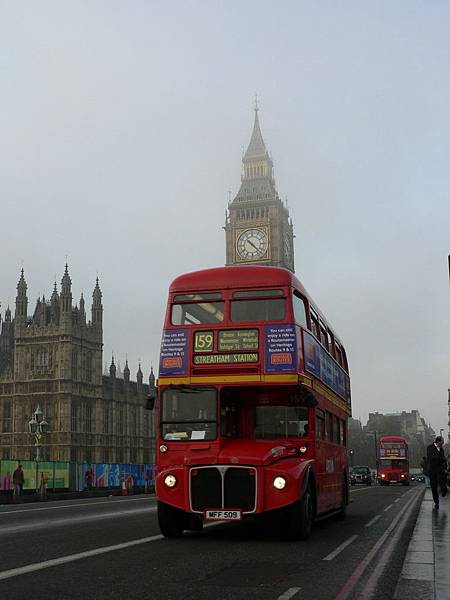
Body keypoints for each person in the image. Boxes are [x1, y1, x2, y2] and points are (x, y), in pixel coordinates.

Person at [426, 436, 448, 509]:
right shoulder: (430, 447)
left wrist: (444, 464)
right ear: (438, 442)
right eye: (442, 442)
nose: (443, 444)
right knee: (434, 487)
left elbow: (443, 458)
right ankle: (436, 502)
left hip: (440, 470)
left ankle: (444, 491)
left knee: (443, 483)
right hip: (432, 471)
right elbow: (431, 457)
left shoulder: (441, 448)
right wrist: (440, 458)